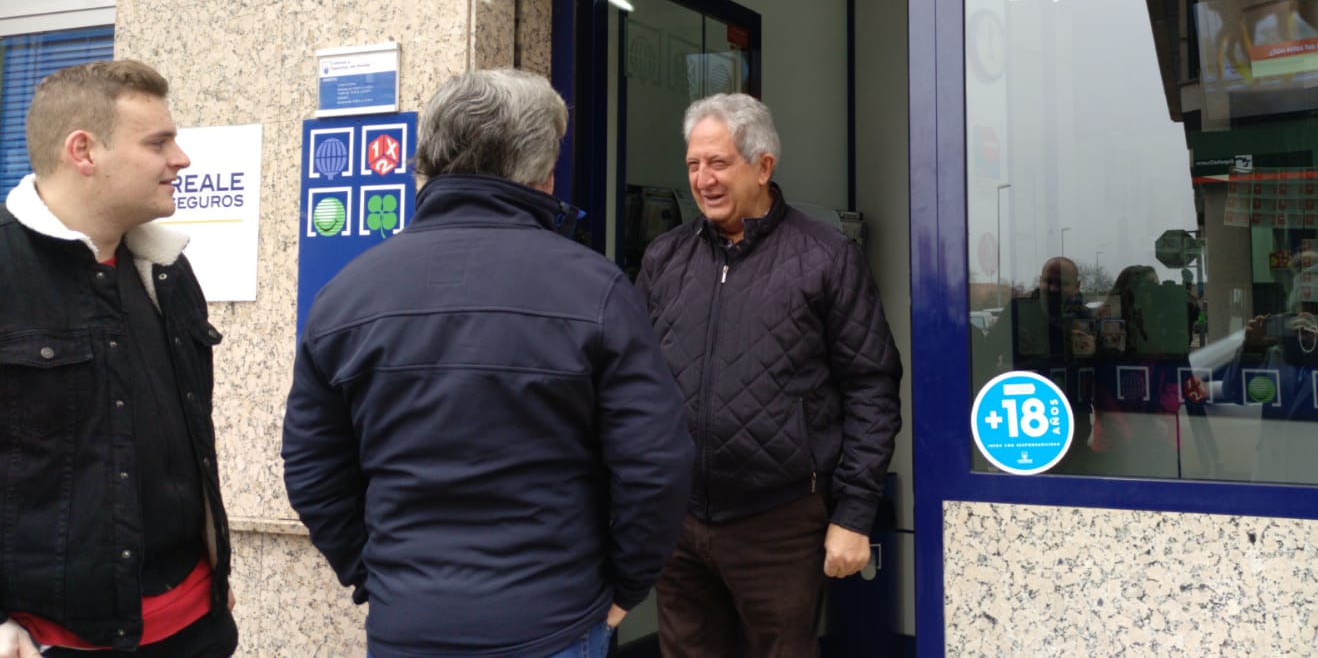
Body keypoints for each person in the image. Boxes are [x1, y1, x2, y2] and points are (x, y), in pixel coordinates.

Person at [282, 70, 695, 658]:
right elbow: (657, 465)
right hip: (555, 621)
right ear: (542, 173)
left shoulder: (347, 293)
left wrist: (373, 576)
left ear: (429, 160)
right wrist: (628, 587)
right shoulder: (594, 289)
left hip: (407, 624)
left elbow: (311, 468)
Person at [634, 93, 902, 658]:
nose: (702, 179)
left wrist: (854, 514)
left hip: (779, 523)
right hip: (679, 521)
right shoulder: (664, 258)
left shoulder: (827, 258)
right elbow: (633, 382)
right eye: (692, 165)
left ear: (763, 166)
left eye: (718, 163)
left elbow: (871, 387)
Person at [0, 61, 235, 658]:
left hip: (195, 627)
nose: (180, 159)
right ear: (84, 151)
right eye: (158, 142)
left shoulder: (166, 268)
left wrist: (211, 581)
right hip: (55, 644)